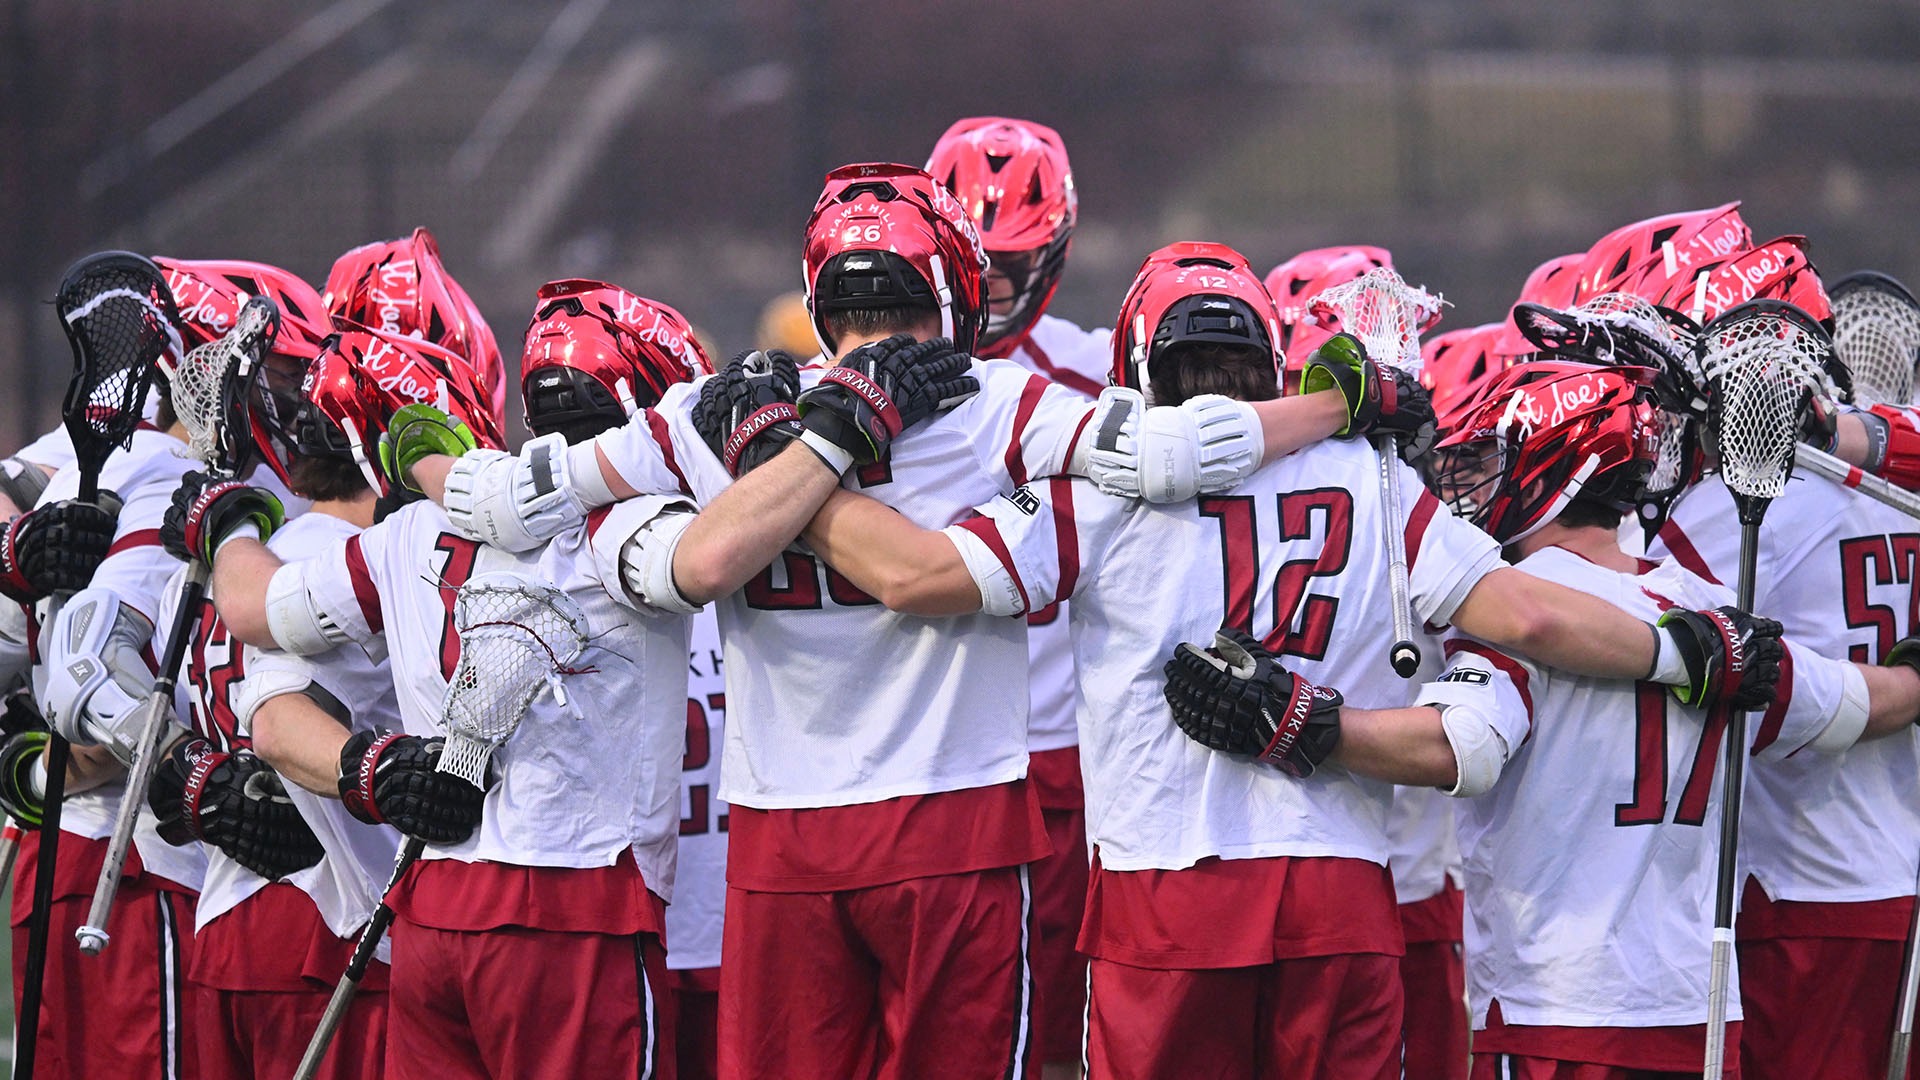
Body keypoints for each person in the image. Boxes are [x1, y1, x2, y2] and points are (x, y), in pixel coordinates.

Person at [795, 243, 1779, 1079]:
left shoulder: (1099, 493)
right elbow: (1528, 616)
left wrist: (785, 472)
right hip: (1342, 889)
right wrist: (1679, 647)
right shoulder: (1379, 482)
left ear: (1141, 362)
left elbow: (914, 577)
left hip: (1166, 891)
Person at [1188, 359, 1920, 1078]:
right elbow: (1851, 706)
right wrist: (1915, 679)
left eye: (1488, 458)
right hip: (1698, 1012)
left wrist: (1307, 723)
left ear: (1559, 461)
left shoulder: (1514, 605)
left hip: (1559, 1007)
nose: (1467, 483)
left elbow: (1462, 745)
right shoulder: (1714, 607)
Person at [1649, 307, 1920, 1079]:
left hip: (1796, 877)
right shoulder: (1894, 477)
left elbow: (1646, 637)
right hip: (1897, 867)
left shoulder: (1724, 514)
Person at [928, 115, 1111, 1074]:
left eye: (1008, 265)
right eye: (970, 265)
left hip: (1057, 745)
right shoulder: (862, 374)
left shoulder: (1099, 373)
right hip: (924, 741)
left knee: (1059, 1029)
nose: (987, 291)